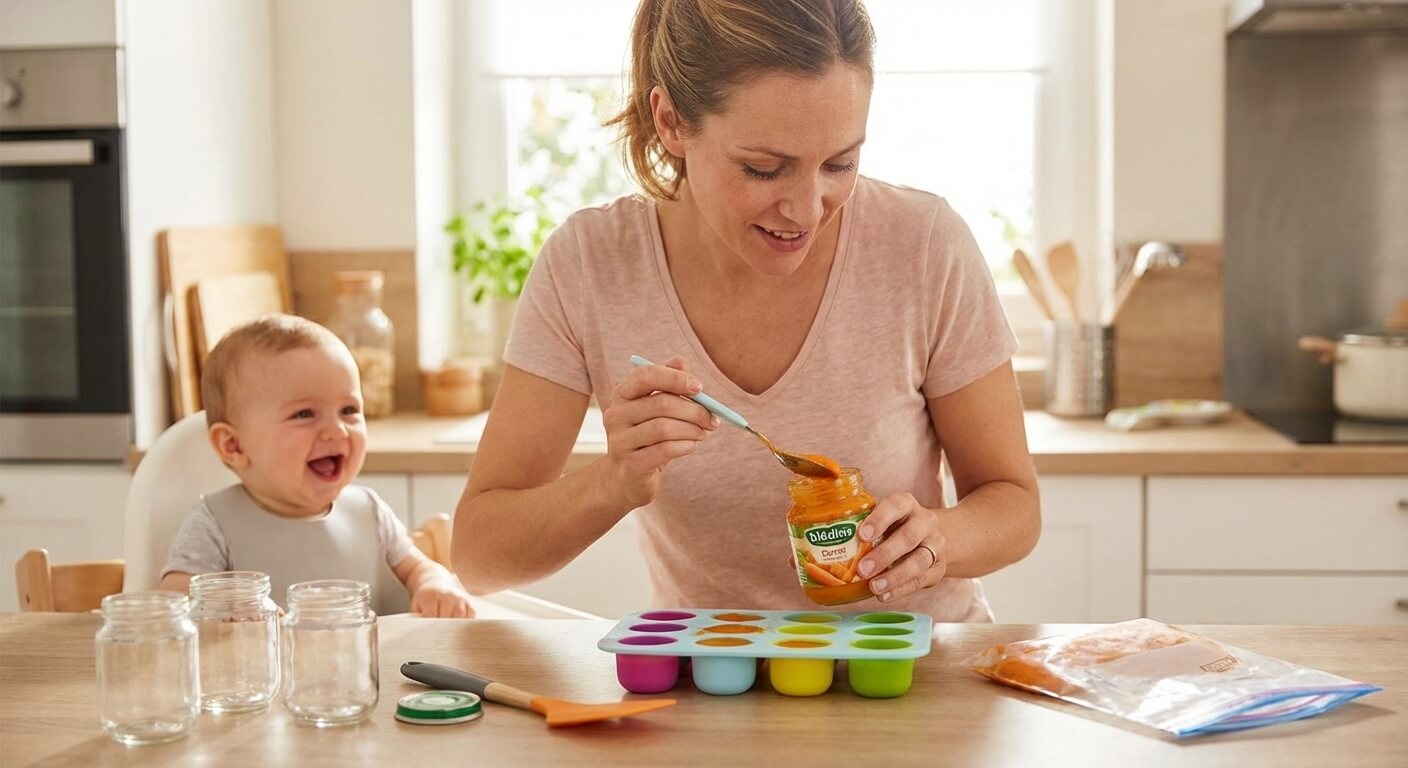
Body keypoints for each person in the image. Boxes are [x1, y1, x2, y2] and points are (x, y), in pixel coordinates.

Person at [453, 0, 1039, 621]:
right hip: (713, 684)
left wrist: (938, 542)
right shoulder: (590, 264)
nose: (808, 209)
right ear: (672, 122)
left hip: (913, 674)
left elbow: (1014, 504)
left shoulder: (923, 246)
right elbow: (479, 556)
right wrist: (613, 481)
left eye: (840, 163)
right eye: (764, 169)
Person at [160, 315, 475, 618]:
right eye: (304, 414)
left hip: (375, 670)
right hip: (264, 672)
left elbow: (419, 567)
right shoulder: (214, 524)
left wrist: (434, 584)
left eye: (349, 410)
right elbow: (175, 600)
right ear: (234, 445)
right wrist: (228, 607)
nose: (336, 430)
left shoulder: (370, 512)